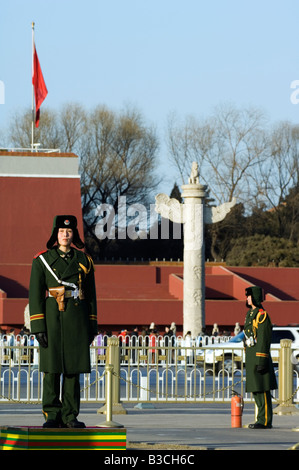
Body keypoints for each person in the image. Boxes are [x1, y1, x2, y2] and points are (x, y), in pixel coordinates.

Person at [29, 215, 98, 428]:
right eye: (61, 231)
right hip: (51, 318)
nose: (65, 235)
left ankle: (70, 415)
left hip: (76, 318)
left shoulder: (84, 260)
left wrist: (91, 324)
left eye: (68, 232)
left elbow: (92, 295)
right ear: (55, 234)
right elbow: (35, 295)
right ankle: (52, 414)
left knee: (72, 370)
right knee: (51, 370)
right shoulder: (42, 260)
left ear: (74, 234)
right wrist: (38, 325)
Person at [244, 285, 277, 429]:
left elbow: (264, 339)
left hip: (259, 356)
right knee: (255, 389)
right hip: (251, 355)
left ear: (255, 297)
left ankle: (265, 421)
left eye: (249, 296)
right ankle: (260, 418)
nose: (247, 298)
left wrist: (261, 359)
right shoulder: (250, 314)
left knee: (263, 389)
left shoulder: (262, 315)